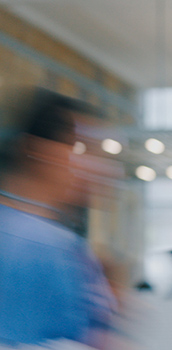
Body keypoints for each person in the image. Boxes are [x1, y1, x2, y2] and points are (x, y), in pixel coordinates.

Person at [0, 88, 116, 349]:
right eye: (81, 147)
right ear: (36, 149)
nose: (97, 166)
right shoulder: (39, 244)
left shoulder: (60, 244)